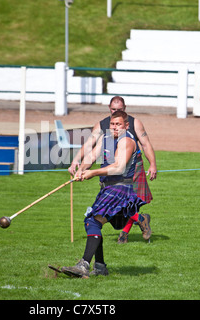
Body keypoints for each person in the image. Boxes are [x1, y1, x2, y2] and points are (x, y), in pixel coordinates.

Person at [61, 111, 150, 278]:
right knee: (93, 222)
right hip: (108, 188)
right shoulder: (105, 138)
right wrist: (81, 170)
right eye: (112, 124)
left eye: (118, 124)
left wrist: (92, 173)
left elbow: (118, 167)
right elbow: (92, 155)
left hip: (121, 188)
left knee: (93, 220)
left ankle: (84, 265)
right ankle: (100, 267)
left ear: (126, 125)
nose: (115, 127)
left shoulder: (127, 141)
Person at [68, 96, 156, 243]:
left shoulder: (135, 123)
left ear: (125, 109)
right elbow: (90, 146)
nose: (116, 111)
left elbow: (145, 144)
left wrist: (152, 164)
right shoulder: (102, 125)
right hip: (109, 169)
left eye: (120, 110)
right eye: (114, 109)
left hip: (130, 169)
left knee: (124, 200)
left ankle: (125, 232)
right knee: (121, 205)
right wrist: (78, 163)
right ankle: (139, 219)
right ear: (109, 108)